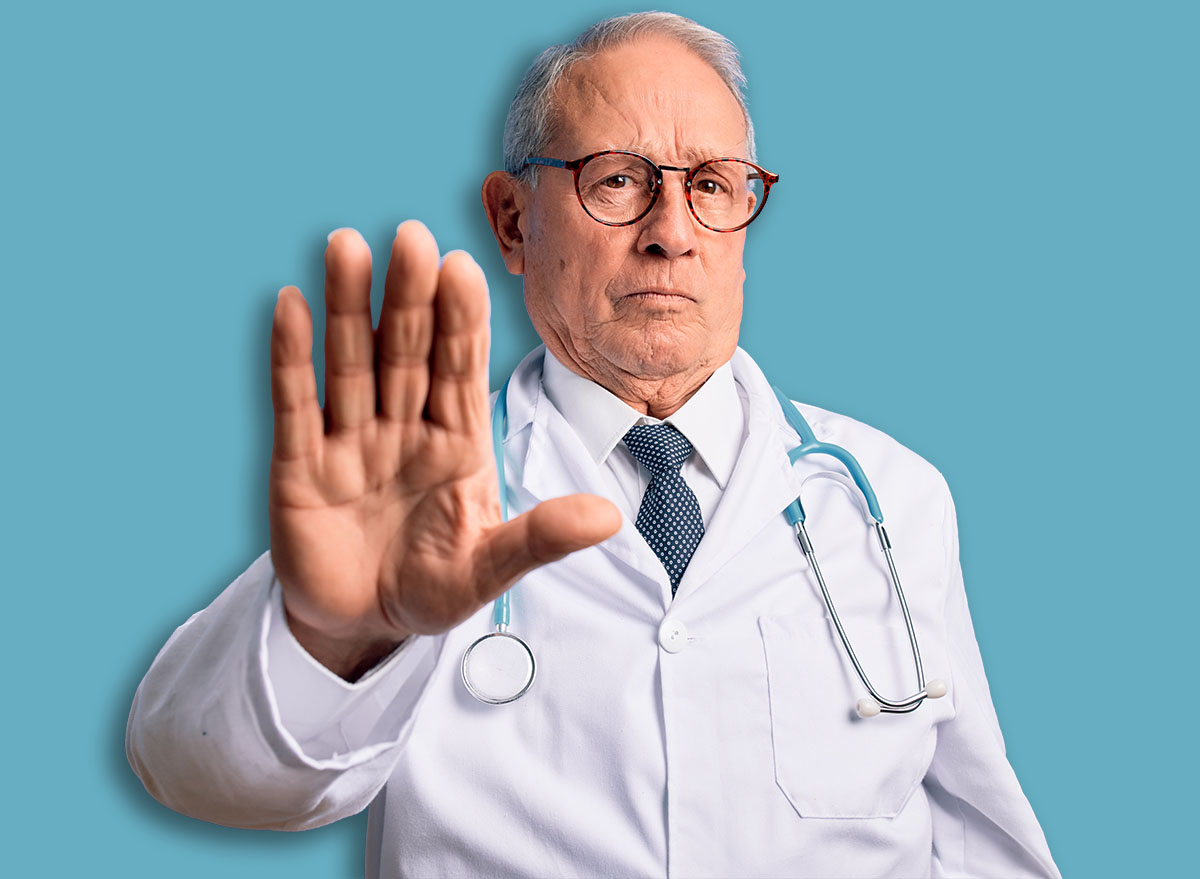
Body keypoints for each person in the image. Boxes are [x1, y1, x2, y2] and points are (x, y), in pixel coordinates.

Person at [127, 12, 1059, 878]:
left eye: (711, 187)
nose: (671, 234)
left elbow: (983, 847)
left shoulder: (891, 495)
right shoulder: (418, 494)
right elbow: (194, 765)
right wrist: (338, 633)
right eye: (618, 179)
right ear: (512, 222)